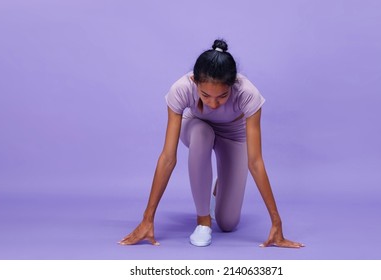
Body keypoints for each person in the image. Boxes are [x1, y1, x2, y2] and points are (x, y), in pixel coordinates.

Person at [119, 39, 304, 248]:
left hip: (234, 136)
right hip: (196, 127)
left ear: (233, 85)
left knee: (228, 223)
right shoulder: (181, 89)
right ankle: (203, 221)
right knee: (202, 133)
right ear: (194, 81)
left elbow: (255, 161)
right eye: (205, 95)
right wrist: (148, 218)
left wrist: (276, 222)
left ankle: (219, 187)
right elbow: (168, 157)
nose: (213, 104)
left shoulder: (248, 94)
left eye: (222, 96)